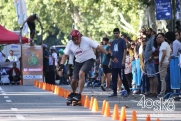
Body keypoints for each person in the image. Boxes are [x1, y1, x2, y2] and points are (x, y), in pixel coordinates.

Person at [59, 30, 118, 101]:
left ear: (80, 37)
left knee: (81, 74)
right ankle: (74, 93)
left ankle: (79, 94)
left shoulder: (86, 40)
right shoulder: (70, 44)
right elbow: (65, 55)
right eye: (74, 40)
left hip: (89, 59)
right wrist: (61, 66)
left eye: (77, 39)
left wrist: (110, 56)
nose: (76, 41)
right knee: (73, 80)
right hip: (78, 61)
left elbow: (99, 48)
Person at [109, 28, 131, 97]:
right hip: (114, 63)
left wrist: (123, 60)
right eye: (114, 33)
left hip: (120, 62)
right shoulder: (113, 42)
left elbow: (125, 50)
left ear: (119, 33)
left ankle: (128, 90)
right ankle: (114, 91)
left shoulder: (122, 41)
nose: (115, 34)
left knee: (122, 77)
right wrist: (110, 61)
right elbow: (111, 52)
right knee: (114, 77)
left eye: (117, 33)